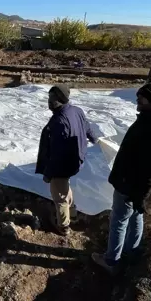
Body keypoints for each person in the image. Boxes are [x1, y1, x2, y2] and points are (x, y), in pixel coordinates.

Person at [92, 82, 151, 274]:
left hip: (130, 184)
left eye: (141, 97)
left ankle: (111, 261)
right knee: (136, 216)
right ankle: (131, 251)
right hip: (131, 183)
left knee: (119, 220)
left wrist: (141, 196)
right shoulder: (148, 120)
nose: (137, 99)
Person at [35, 85, 97, 236]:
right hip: (76, 159)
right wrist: (94, 139)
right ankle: (73, 213)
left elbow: (57, 154)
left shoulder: (59, 121)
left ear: (60, 99)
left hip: (63, 164)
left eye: (52, 99)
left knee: (59, 195)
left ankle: (63, 226)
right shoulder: (76, 111)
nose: (49, 102)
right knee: (64, 187)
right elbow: (87, 127)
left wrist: (48, 173)